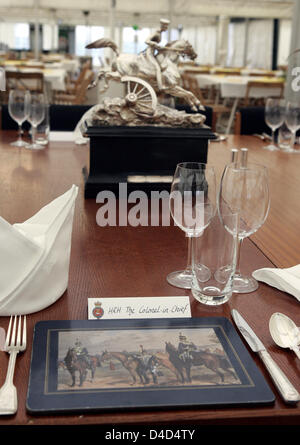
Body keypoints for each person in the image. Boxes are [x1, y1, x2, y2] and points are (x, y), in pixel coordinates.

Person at [145, 18, 170, 91]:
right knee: (157, 68)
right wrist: (155, 44)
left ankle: (155, 81)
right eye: (165, 27)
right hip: (149, 52)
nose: (166, 28)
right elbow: (146, 41)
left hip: (154, 52)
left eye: (166, 27)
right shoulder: (156, 32)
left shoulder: (160, 33)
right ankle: (160, 86)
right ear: (162, 26)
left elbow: (156, 46)